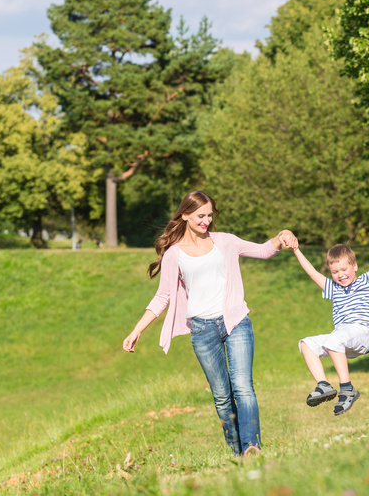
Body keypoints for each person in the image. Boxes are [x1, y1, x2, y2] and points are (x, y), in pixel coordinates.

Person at [122, 190, 295, 456]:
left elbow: (262, 250)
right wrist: (137, 330)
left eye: (210, 215)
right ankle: (238, 452)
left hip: (236, 322)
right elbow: (163, 296)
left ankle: (252, 448)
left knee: (243, 388)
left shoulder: (225, 241)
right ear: (185, 215)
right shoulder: (174, 255)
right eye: (201, 215)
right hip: (203, 331)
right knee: (223, 398)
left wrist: (282, 235)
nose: (206, 220)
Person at [282, 224, 369, 416]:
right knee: (305, 344)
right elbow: (312, 272)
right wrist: (296, 250)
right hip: (343, 341)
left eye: (344, 269)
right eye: (335, 272)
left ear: (355, 266)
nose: (340, 275)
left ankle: (347, 388)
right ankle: (323, 385)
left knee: (335, 338)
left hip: (363, 333)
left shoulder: (368, 280)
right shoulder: (333, 289)